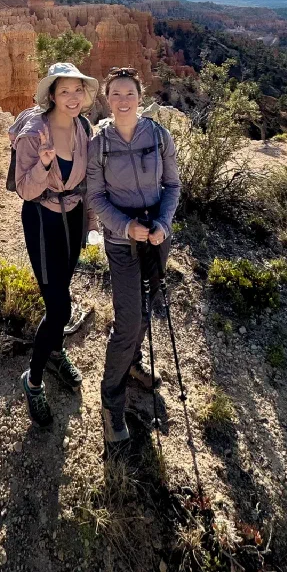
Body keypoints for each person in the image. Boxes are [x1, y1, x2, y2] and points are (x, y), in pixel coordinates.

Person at [86, 66, 181, 444]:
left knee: (147, 309)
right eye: (116, 95)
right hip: (122, 243)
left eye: (129, 94)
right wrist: (128, 227)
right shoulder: (99, 144)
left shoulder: (158, 136)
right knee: (129, 319)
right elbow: (95, 198)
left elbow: (172, 185)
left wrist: (163, 225)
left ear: (140, 98)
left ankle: (133, 362)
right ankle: (112, 400)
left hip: (157, 239)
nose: (123, 101)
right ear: (107, 100)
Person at [12, 62, 99, 427]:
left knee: (62, 291)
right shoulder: (34, 134)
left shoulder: (83, 127)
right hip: (44, 219)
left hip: (73, 218)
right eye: (64, 91)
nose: (73, 97)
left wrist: (91, 224)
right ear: (52, 95)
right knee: (59, 308)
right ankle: (32, 381)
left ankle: (56, 351)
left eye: (78, 90)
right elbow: (25, 189)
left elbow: (87, 181)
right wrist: (45, 163)